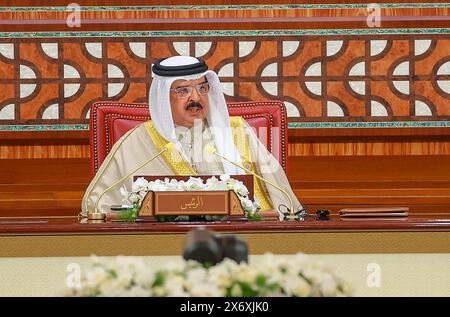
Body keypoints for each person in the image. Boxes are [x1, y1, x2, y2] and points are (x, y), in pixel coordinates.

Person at [81, 56, 301, 219]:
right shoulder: (136, 142)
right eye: (183, 90)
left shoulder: (237, 133)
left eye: (202, 88)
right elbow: (96, 207)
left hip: (239, 238)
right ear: (162, 97)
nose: (195, 98)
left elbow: (281, 197)